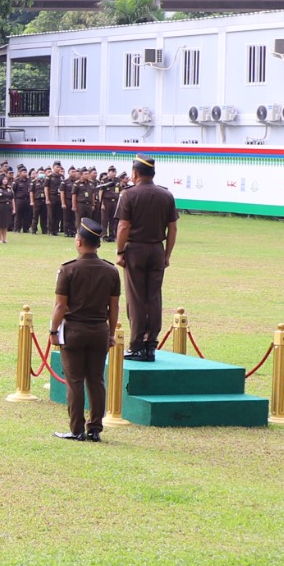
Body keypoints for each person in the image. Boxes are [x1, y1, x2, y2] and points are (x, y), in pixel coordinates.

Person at [51, 218, 121, 442]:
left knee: (75, 381)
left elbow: (60, 305)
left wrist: (53, 331)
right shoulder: (111, 271)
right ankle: (95, 429)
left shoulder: (68, 269)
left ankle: (77, 429)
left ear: (79, 242)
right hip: (99, 330)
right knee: (96, 380)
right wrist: (110, 333)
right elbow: (114, 306)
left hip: (74, 331)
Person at [114, 156, 177, 361]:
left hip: (135, 249)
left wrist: (120, 251)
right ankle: (151, 344)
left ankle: (137, 344)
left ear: (134, 173)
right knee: (154, 297)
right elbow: (173, 228)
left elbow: (124, 226)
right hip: (157, 249)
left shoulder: (129, 194)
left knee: (136, 298)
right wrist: (166, 255)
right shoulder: (166, 195)